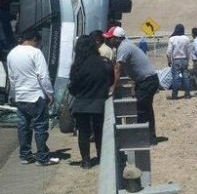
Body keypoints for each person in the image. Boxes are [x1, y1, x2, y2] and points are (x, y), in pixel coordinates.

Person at [7, 30, 59, 166]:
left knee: (23, 126)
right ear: (35, 39)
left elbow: (11, 77)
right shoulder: (35, 53)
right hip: (35, 96)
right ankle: (42, 157)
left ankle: (25, 155)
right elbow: (43, 76)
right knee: (40, 126)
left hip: (19, 96)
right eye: (39, 43)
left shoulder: (12, 54)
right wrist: (50, 93)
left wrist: (13, 95)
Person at [103, 26, 159, 145]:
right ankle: (150, 138)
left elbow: (118, 68)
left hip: (147, 81)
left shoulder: (124, 47)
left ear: (117, 39)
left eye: (110, 38)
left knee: (141, 109)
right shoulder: (124, 46)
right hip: (147, 80)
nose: (108, 41)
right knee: (146, 109)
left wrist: (112, 87)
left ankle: (143, 139)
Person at [68, 35, 113, 169]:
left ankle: (86, 161)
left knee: (84, 132)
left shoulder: (78, 65)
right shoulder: (105, 63)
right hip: (100, 102)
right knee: (99, 131)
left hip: (82, 103)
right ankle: (101, 157)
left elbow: (72, 87)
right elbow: (110, 81)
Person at [166, 24, 192, 100]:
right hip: (184, 60)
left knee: (176, 78)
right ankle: (187, 94)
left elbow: (168, 52)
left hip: (176, 60)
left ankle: (175, 95)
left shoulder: (172, 39)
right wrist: (187, 61)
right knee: (186, 77)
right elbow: (189, 51)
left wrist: (169, 61)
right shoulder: (187, 39)